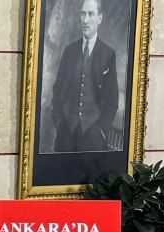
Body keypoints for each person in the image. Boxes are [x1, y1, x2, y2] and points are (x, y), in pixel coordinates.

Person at [50, 0, 119, 152]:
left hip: (93, 135)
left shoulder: (108, 54)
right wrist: (58, 119)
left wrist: (102, 130)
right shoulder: (69, 51)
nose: (85, 20)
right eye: (83, 14)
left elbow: (112, 98)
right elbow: (58, 87)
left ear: (99, 18)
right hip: (66, 132)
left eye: (91, 14)